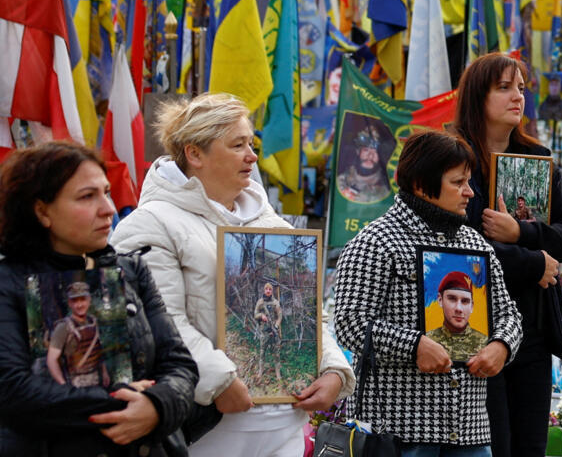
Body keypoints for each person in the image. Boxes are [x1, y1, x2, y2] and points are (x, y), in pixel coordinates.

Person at [111, 93, 354, 457]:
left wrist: (333, 369)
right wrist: (219, 380)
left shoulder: (270, 222)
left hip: (285, 424)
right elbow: (163, 322)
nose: (252, 157)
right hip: (211, 426)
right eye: (237, 145)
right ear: (195, 154)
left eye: (251, 144)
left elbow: (307, 311)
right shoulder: (151, 224)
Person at [0, 142, 198, 456]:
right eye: (87, 196)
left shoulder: (131, 271)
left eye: (106, 192)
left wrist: (157, 406)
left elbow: (181, 367)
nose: (108, 208)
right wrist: (121, 403)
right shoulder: (8, 283)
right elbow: (12, 390)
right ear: (41, 211)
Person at [334, 131, 523, 456]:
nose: (469, 192)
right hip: (398, 432)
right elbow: (349, 323)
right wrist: (414, 346)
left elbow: (509, 315)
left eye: (468, 181)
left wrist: (502, 345)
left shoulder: (475, 244)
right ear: (422, 184)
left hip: (469, 430)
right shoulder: (376, 242)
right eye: (458, 182)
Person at [453, 53, 562, 457]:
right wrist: (534, 261)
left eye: (522, 88)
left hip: (533, 328)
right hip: (473, 331)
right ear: (478, 96)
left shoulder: (538, 159)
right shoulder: (453, 158)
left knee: (530, 447)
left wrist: (522, 231)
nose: (517, 97)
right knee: (491, 447)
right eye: (504, 87)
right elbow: (455, 245)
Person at [47, 282, 111, 388]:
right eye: (74, 301)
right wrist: (64, 386)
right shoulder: (64, 327)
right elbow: (51, 360)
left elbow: (98, 350)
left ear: (89, 300)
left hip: (96, 380)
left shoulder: (93, 321)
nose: (79, 305)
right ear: (69, 303)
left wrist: (104, 373)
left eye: (83, 299)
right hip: (76, 384)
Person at [425, 271, 490, 362]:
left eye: (465, 301)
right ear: (440, 300)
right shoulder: (426, 342)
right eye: (452, 299)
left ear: (472, 306)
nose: (459, 308)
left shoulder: (486, 345)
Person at [337, 124, 391, 203]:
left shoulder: (386, 186)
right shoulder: (342, 180)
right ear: (358, 152)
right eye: (366, 150)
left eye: (375, 152)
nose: (370, 155)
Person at [254, 283, 282, 382]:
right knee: (262, 352)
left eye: (270, 289)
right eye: (266, 289)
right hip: (264, 332)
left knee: (276, 353)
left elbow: (280, 317)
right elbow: (255, 314)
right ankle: (260, 371)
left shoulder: (276, 303)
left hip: (273, 331)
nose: (268, 291)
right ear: (264, 290)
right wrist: (261, 316)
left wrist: (276, 326)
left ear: (272, 291)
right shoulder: (260, 302)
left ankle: (278, 373)